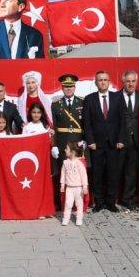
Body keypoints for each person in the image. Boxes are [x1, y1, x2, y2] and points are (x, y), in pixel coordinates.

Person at [82, 71, 123, 212]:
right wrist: (90, 140)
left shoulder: (117, 97)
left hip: (113, 143)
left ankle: (111, 202)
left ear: (109, 82)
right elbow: (86, 123)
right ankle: (98, 202)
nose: (103, 82)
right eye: (100, 80)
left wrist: (121, 139)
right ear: (96, 82)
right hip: (96, 144)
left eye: (105, 80)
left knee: (112, 173)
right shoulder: (89, 99)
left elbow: (123, 120)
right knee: (97, 174)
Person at [50, 74, 83, 212]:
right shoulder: (56, 105)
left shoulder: (82, 103)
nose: (68, 89)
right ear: (62, 88)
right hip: (63, 144)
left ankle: (78, 203)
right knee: (63, 174)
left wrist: (86, 140)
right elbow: (54, 127)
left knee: (78, 174)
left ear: (74, 87)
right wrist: (55, 145)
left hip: (78, 143)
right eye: (65, 87)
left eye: (70, 87)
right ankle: (62, 203)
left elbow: (86, 123)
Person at [117, 70, 139, 211]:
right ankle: (115, 197)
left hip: (137, 141)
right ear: (123, 81)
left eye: (133, 81)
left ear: (136, 82)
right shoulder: (115, 97)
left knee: (132, 172)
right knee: (118, 170)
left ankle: (128, 199)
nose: (130, 84)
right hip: (120, 141)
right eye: (128, 81)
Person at [59, 142, 88, 226]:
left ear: (72, 152)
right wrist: (62, 184)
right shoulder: (65, 163)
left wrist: (85, 186)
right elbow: (63, 174)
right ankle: (66, 218)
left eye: (67, 149)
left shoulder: (79, 163)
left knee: (79, 204)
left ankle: (79, 218)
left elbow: (84, 175)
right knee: (68, 203)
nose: (65, 150)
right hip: (69, 188)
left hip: (78, 188)